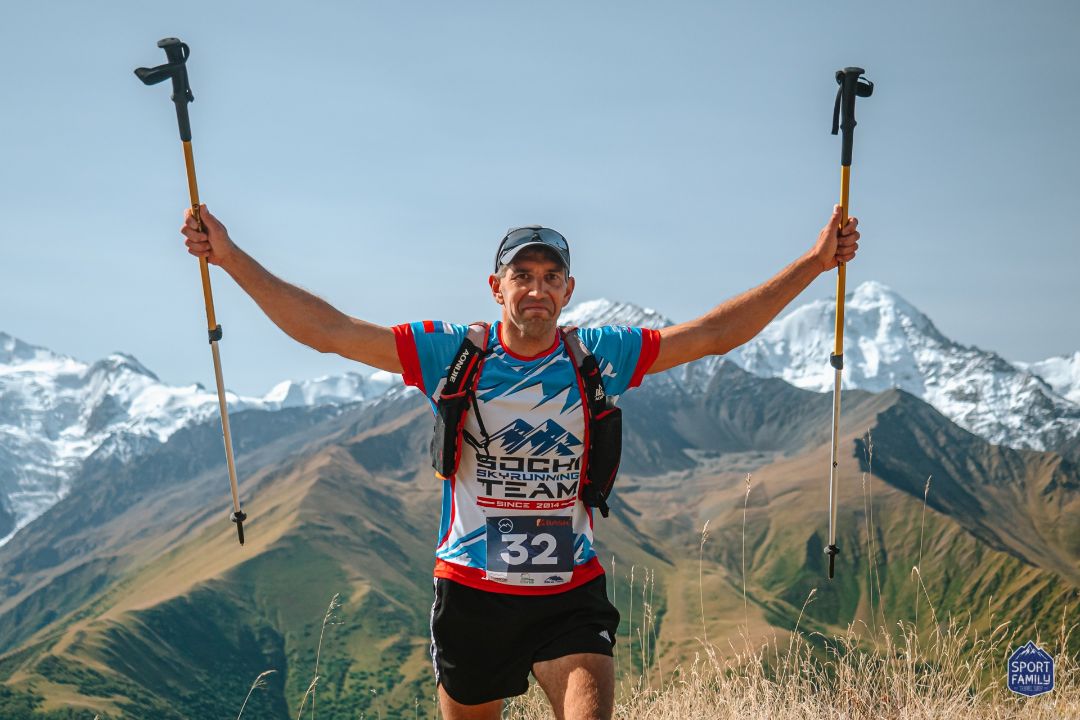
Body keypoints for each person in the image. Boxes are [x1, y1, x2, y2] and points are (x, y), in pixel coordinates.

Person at [181, 206, 860, 720]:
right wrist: (230, 256)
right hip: (472, 593)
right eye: (522, 276)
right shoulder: (453, 353)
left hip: (569, 592)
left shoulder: (599, 355)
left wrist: (815, 262)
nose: (537, 289)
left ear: (568, 289)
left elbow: (712, 334)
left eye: (550, 277)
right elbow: (328, 332)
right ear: (496, 286)